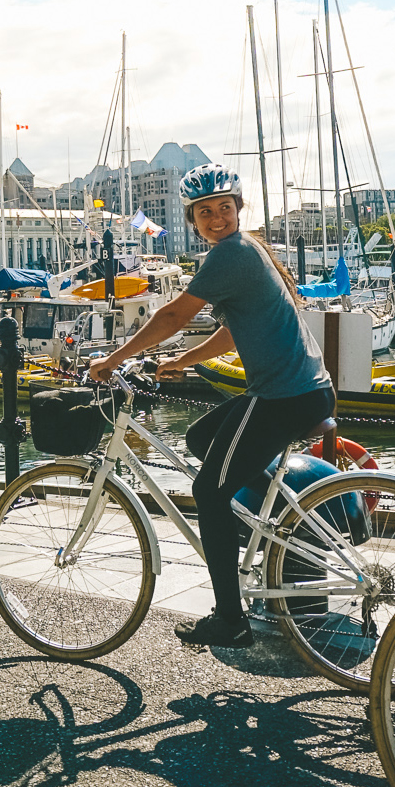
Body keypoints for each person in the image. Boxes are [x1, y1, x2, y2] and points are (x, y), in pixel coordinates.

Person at [89, 163, 334, 648]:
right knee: (200, 437)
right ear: (192, 219)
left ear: (238, 210)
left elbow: (176, 313)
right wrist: (184, 359)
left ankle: (230, 620)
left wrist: (114, 359)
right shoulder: (248, 251)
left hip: (284, 396)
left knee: (208, 493)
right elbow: (231, 331)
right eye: (205, 212)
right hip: (300, 390)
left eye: (225, 208)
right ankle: (267, 518)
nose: (216, 217)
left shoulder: (230, 254)